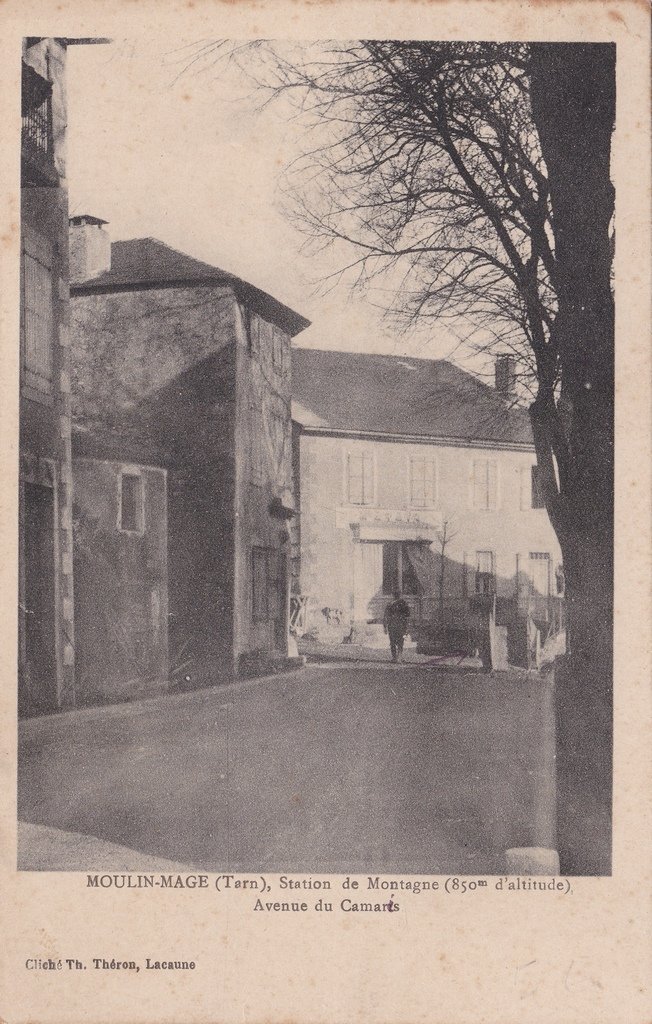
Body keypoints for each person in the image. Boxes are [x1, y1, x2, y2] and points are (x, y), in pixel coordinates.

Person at [383, 591, 410, 663]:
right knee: (400, 642)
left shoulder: (389, 604)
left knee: (392, 642)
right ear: (400, 595)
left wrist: (385, 626)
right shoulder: (403, 603)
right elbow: (407, 615)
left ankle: (394, 658)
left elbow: (385, 616)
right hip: (401, 625)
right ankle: (399, 658)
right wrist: (407, 627)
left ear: (393, 595)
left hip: (391, 625)